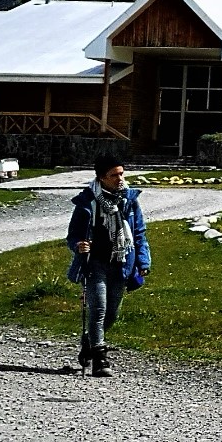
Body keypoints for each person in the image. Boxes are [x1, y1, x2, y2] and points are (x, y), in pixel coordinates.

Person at [64, 150, 149, 377]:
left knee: (112, 313)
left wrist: (143, 261)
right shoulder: (88, 203)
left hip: (122, 263)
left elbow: (139, 233)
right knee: (99, 310)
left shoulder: (129, 201)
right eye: (114, 175)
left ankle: (89, 341)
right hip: (95, 264)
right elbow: (73, 236)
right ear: (101, 177)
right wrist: (78, 245)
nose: (120, 179)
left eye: (121, 174)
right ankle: (100, 360)